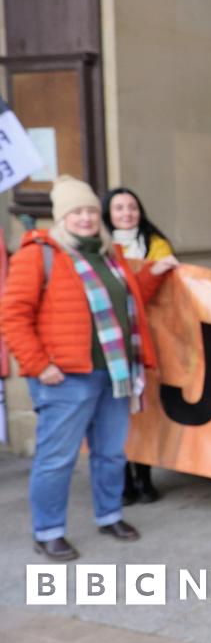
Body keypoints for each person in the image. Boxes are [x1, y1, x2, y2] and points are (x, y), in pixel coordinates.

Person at [1, 175, 178, 561]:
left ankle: (109, 513)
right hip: (63, 377)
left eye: (90, 211)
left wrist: (154, 273)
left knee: (112, 452)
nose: (84, 218)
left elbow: (127, 300)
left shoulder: (108, 253)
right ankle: (48, 531)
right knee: (57, 458)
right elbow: (13, 316)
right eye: (76, 212)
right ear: (61, 216)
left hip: (113, 372)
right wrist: (38, 365)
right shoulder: (39, 254)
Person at [102, 186, 177, 505]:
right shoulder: (99, 249)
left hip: (150, 338)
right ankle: (121, 482)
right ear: (108, 214)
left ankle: (143, 478)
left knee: (143, 410)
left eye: (131, 207)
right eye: (119, 208)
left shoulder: (156, 245)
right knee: (115, 413)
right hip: (111, 340)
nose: (126, 214)